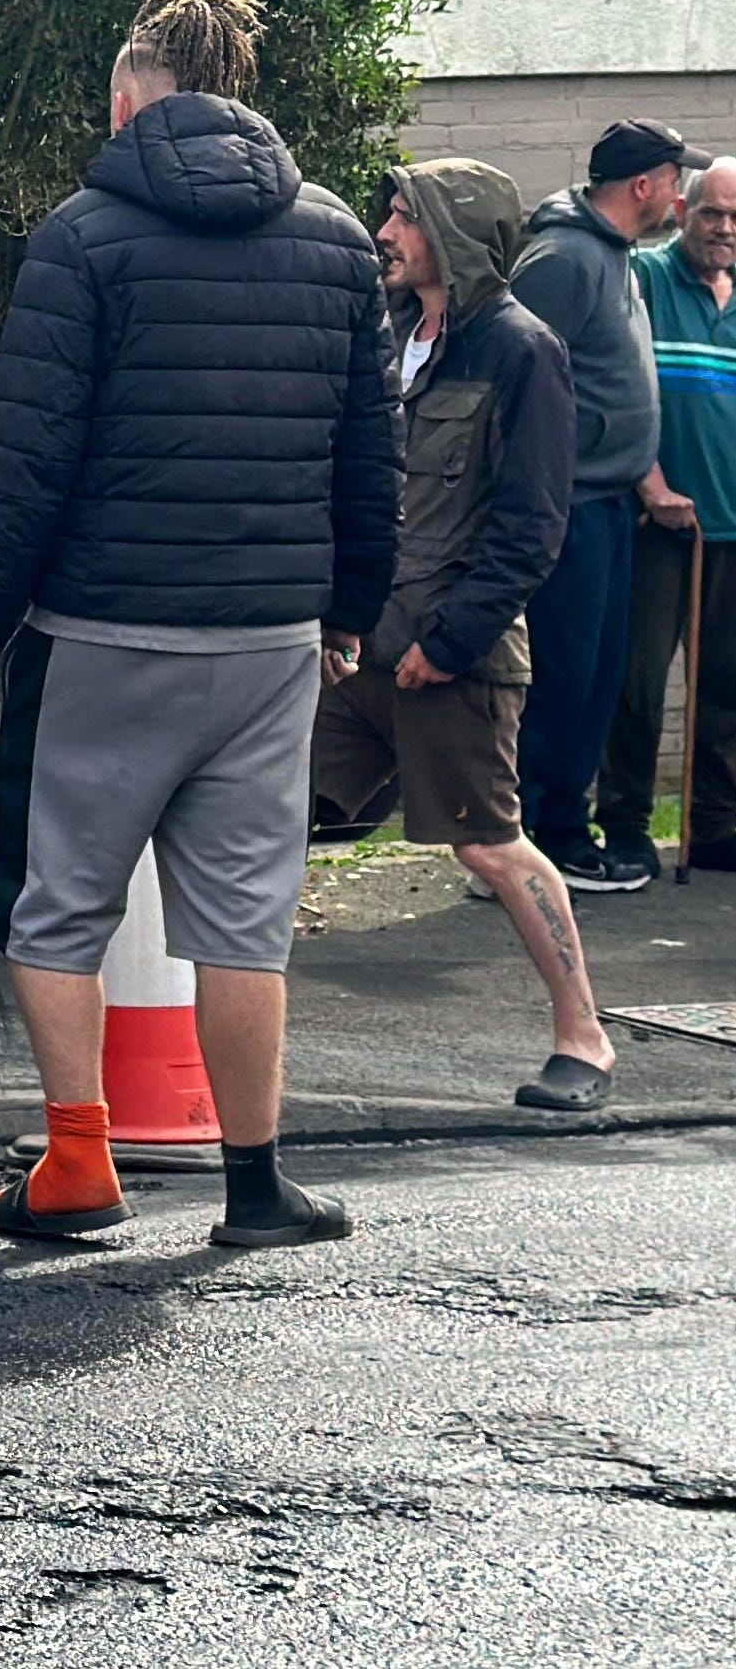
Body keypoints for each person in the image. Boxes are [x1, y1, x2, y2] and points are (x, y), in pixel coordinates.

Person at [0, 0, 393, 1252]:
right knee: (244, 921)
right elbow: (369, 456)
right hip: (271, 642)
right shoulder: (340, 239)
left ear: (132, 98)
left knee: (54, 906)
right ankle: (255, 1186)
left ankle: (78, 1165)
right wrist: (348, 609)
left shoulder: (81, 239)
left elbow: (27, 460)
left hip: (107, 632)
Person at [311, 159, 617, 1113]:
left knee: (488, 845)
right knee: (264, 813)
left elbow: (531, 526)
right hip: (364, 647)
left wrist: (446, 642)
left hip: (456, 660)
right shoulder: (394, 334)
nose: (384, 231)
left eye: (402, 216)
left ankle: (585, 1036)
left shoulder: (521, 350)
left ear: (452, 234)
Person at [507, 118, 688, 890]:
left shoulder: (616, 259)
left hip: (613, 502)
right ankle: (529, 841)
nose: (680, 196)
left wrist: (645, 480)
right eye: (676, 181)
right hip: (567, 505)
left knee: (597, 674)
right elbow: (517, 376)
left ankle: (562, 828)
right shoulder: (562, 258)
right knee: (563, 673)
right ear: (643, 184)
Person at [603, 153, 736, 872]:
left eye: (734, 218)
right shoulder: (645, 278)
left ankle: (714, 828)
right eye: (711, 212)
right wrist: (649, 481)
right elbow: (618, 386)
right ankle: (622, 822)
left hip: (731, 531)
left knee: (725, 690)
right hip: (656, 524)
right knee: (638, 685)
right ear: (683, 210)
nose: (723, 228)